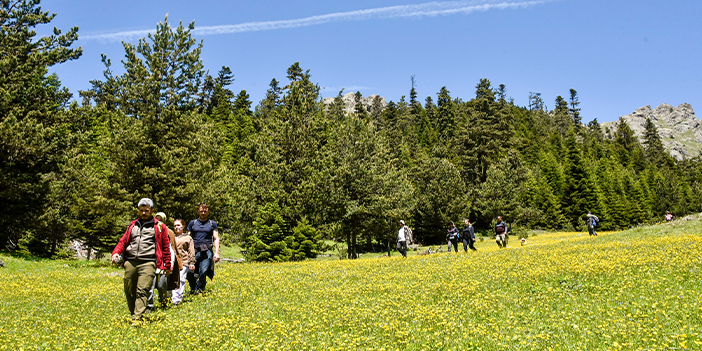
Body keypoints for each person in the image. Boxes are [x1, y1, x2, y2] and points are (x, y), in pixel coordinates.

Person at [111, 198, 172, 320]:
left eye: (146, 210)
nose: (143, 213)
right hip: (131, 261)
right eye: (141, 211)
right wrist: (116, 253)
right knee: (129, 290)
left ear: (152, 211)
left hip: (148, 262)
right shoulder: (133, 225)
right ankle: (134, 312)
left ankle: (137, 318)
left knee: (143, 290)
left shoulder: (160, 226)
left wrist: (168, 265)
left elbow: (165, 246)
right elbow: (123, 240)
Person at [147, 212, 182, 309]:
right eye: (157, 219)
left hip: (164, 263)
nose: (159, 221)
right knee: (150, 286)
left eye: (161, 219)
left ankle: (164, 303)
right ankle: (149, 307)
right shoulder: (151, 230)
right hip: (152, 262)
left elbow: (171, 248)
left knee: (163, 286)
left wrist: (170, 262)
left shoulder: (168, 231)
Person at [187, 203, 220, 294]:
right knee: (189, 272)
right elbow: (187, 237)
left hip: (207, 251)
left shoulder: (212, 224)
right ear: (198, 211)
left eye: (205, 211)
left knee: (203, 271)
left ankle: (199, 291)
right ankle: (193, 287)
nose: (203, 213)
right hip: (194, 251)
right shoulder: (192, 223)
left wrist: (217, 253)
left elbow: (216, 238)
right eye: (201, 211)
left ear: (208, 212)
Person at [171, 218, 195, 305]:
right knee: (172, 280)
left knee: (181, 280)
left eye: (178, 225)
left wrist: (192, 263)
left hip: (184, 261)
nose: (176, 227)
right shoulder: (171, 236)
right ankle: (171, 298)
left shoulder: (188, 238)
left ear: (183, 226)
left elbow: (191, 251)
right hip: (172, 262)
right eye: (175, 226)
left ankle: (177, 300)